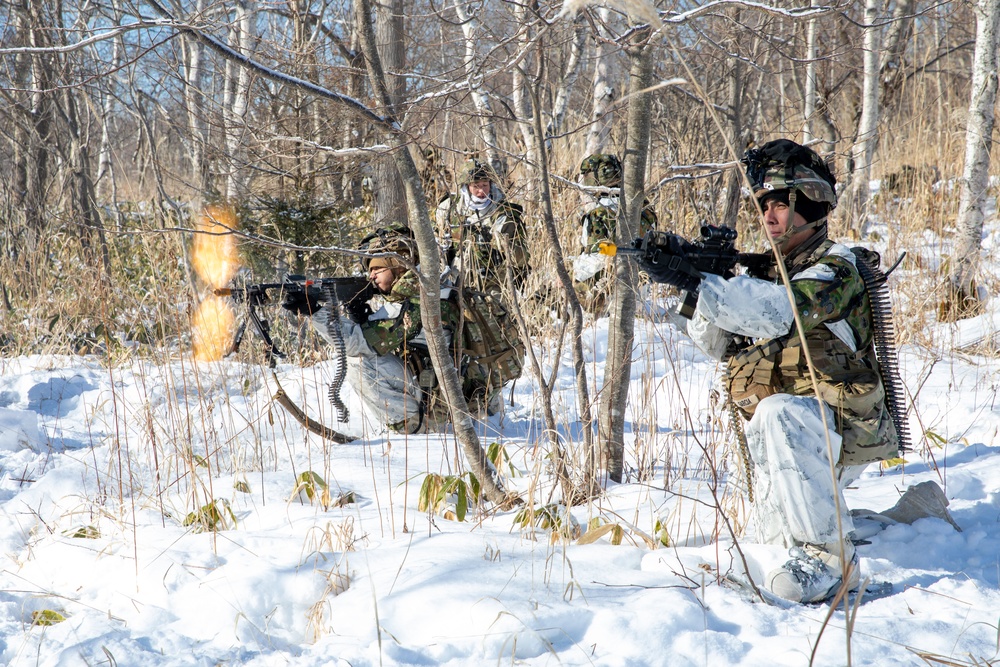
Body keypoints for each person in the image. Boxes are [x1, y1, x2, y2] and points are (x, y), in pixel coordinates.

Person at [642, 139, 898, 603]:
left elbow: (783, 312)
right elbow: (715, 343)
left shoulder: (836, 268)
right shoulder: (766, 273)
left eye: (781, 203)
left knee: (779, 413)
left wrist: (701, 281)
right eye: (764, 205)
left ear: (811, 204)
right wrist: (697, 282)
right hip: (791, 434)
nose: (769, 215)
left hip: (843, 424)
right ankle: (822, 541)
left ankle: (831, 562)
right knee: (769, 547)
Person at [283, 226, 459, 434]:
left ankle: (414, 427)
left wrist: (314, 311)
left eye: (377, 269)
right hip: (433, 386)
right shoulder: (416, 293)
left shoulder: (424, 299)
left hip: (443, 400)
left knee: (358, 362)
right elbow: (382, 334)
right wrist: (362, 316)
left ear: (399, 266)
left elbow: (357, 344)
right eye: (369, 270)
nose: (371, 276)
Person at [573, 153, 658, 313]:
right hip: (640, 293)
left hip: (609, 301)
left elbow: (596, 262)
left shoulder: (598, 214)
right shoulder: (645, 209)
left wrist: (571, 272)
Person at [435, 158, 528, 297]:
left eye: (485, 185)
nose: (481, 191)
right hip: (457, 284)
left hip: (496, 285)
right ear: (466, 186)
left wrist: (506, 245)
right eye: (476, 186)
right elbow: (435, 244)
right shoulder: (448, 209)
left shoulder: (504, 212)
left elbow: (523, 259)